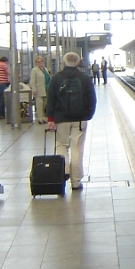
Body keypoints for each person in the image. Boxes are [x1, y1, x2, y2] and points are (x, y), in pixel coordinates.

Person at [46, 51, 97, 190]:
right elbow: (92, 99)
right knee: (77, 149)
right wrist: (88, 115)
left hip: (61, 119)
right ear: (78, 62)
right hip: (80, 120)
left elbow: (50, 99)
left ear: (63, 62)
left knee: (62, 145)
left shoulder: (56, 78)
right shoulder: (85, 78)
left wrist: (50, 118)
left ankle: (65, 170)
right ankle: (76, 182)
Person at [29, 56, 51, 124]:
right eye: (38, 62)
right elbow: (32, 81)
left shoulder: (46, 69)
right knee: (39, 104)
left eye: (41, 61)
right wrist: (34, 89)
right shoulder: (34, 70)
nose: (40, 63)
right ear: (36, 63)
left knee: (45, 104)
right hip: (39, 89)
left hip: (46, 89)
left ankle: (44, 117)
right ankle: (40, 118)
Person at [0, 56, 10, 120]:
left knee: (1, 98)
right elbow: (9, 73)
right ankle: (1, 114)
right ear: (5, 61)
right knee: (2, 99)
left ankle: (0, 114)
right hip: (2, 84)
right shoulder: (3, 65)